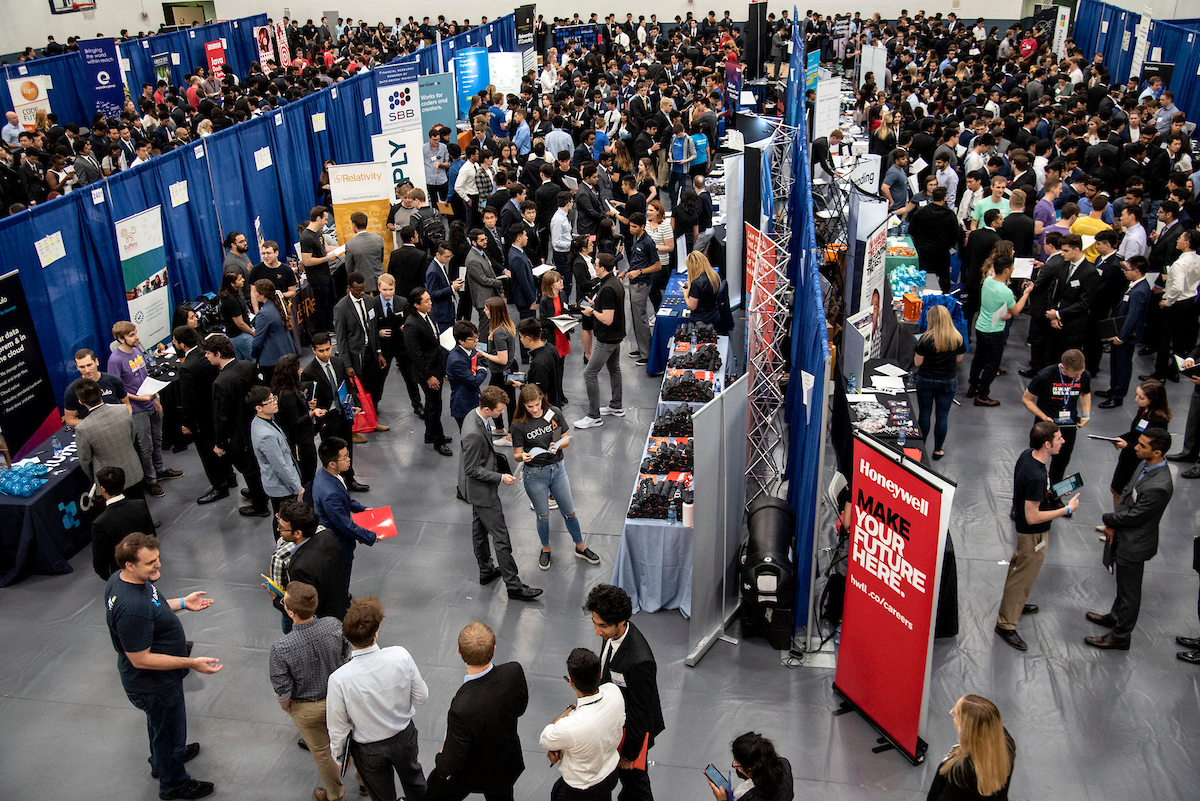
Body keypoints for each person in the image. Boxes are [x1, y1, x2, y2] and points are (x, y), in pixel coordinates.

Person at [105, 532, 220, 801]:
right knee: (168, 732)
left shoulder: (124, 582)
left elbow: (154, 607)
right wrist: (192, 663)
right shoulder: (131, 607)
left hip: (155, 684)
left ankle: (163, 760)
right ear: (129, 565)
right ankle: (174, 785)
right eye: (150, 563)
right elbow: (140, 658)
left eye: (157, 559)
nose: (158, 566)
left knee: (160, 727)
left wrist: (182, 603)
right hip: (155, 685)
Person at [327, 598, 429, 801]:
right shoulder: (400, 656)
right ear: (376, 632)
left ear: (347, 638)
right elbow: (422, 697)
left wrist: (340, 756)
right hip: (403, 738)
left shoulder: (338, 679)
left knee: (382, 796)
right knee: (415, 782)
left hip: (368, 749)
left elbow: (338, 726)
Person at [994, 421, 1080, 652]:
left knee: (1019, 569)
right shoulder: (1037, 475)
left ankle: (1016, 604)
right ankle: (1006, 624)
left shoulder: (1028, 457)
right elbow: (1033, 517)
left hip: (1025, 530)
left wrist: (1056, 491)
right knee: (1022, 574)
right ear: (1047, 444)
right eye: (1060, 438)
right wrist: (1066, 509)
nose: (1063, 441)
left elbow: (1036, 494)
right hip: (1032, 535)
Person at [1088, 427, 1174, 650]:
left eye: (1143, 445)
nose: (1136, 447)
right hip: (1125, 536)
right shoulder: (1144, 465)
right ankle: (1116, 617)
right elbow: (1128, 493)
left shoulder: (1159, 486)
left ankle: (1120, 636)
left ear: (1157, 452)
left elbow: (1137, 515)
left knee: (1129, 592)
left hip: (1134, 544)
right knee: (1123, 586)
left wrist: (1109, 519)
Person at [425, 621, 530, 801]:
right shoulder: (513, 671)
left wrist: (441, 758)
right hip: (504, 763)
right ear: (494, 649)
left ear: (459, 651)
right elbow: (519, 708)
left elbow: (452, 763)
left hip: (471, 772)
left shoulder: (462, 708)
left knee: (435, 790)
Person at [268, 581, 351, 801]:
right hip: (341, 700)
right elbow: (346, 656)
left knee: (322, 753)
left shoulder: (282, 647)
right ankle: (365, 783)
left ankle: (335, 795)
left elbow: (282, 686)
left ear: (290, 612)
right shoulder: (333, 625)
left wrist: (289, 708)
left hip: (307, 708)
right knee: (355, 741)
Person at [458, 386, 542, 601]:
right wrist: (500, 477)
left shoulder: (473, 416)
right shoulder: (473, 434)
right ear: (487, 409)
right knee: (501, 537)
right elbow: (471, 469)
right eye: (498, 410)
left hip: (474, 492)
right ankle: (514, 586)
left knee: (479, 531)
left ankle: (486, 570)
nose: (501, 414)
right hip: (483, 492)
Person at [584, 584, 664, 801]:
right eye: (594, 623)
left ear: (621, 622)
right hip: (615, 718)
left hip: (632, 733)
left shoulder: (640, 661)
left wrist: (630, 755)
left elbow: (640, 714)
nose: (597, 631)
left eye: (602, 626)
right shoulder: (611, 635)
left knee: (635, 782)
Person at [511, 383, 600, 570]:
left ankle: (580, 546)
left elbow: (566, 440)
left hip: (557, 470)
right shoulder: (519, 424)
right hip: (534, 475)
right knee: (542, 516)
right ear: (523, 405)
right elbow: (517, 454)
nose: (535, 409)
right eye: (530, 406)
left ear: (542, 399)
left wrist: (557, 445)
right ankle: (546, 549)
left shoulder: (554, 413)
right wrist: (523, 456)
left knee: (570, 512)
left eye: (537, 404)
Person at [538, 648, 625, 801]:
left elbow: (546, 738)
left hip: (579, 790)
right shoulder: (614, 692)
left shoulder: (569, 727)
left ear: (571, 681)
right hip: (610, 774)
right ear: (600, 674)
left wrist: (570, 709)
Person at [109, 321, 182, 496]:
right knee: (145, 446)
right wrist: (138, 398)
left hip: (151, 402)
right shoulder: (115, 360)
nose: (137, 337)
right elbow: (118, 389)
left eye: (136, 333)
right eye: (132, 335)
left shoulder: (137, 350)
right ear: (120, 339)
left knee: (157, 439)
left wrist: (156, 397)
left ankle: (160, 470)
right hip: (136, 409)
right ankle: (150, 480)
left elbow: (146, 375)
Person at [203, 335, 270, 516]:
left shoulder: (220, 382)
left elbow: (221, 417)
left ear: (218, 354)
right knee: (256, 464)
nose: (206, 356)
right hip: (255, 424)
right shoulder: (247, 366)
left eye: (208, 353)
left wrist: (220, 444)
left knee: (248, 469)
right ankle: (260, 492)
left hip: (238, 434)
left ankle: (260, 505)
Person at [302, 333, 369, 489]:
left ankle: (349, 479)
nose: (325, 354)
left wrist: (356, 403)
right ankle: (334, 483)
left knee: (347, 447)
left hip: (344, 412)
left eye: (327, 349)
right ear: (314, 350)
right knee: (332, 452)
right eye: (321, 351)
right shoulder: (309, 372)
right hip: (327, 417)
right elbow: (308, 399)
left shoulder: (338, 363)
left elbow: (349, 386)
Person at [967, 251, 1032, 406]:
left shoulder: (988, 281)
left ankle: (973, 386)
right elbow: (1016, 310)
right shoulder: (1005, 291)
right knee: (992, 364)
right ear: (1007, 270)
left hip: (981, 326)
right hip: (994, 331)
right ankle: (982, 396)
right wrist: (1025, 294)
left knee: (979, 358)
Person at [173, 326, 230, 503]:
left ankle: (219, 486)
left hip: (202, 418)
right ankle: (230, 477)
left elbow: (188, 399)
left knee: (208, 452)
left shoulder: (187, 367)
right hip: (217, 410)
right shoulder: (206, 355)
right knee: (221, 444)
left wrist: (186, 424)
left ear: (181, 344)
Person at [1021, 349, 1092, 484]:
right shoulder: (1045, 376)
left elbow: (1085, 393)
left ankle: (1054, 494)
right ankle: (1032, 486)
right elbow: (1027, 399)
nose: (1079, 377)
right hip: (1045, 426)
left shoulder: (1084, 375)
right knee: (1036, 459)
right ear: (1064, 368)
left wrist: (1086, 414)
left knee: (1061, 462)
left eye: (1081, 373)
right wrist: (1043, 417)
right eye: (1075, 374)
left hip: (1068, 425)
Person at [312, 437, 377, 584]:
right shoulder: (330, 493)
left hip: (336, 537)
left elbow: (344, 500)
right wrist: (369, 535)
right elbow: (344, 524)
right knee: (341, 576)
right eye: (345, 457)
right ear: (332, 463)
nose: (349, 459)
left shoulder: (325, 475)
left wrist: (362, 509)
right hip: (337, 543)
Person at [926, 695, 1015, 801]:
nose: (951, 712)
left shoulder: (959, 772)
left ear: (966, 727)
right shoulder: (1006, 744)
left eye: (955, 714)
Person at [1104, 380, 1172, 515]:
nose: (1136, 400)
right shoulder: (1143, 410)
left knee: (1124, 491)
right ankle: (1115, 519)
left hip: (1137, 459)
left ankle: (1117, 523)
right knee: (1115, 489)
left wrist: (1127, 446)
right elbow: (1135, 432)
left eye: (1141, 398)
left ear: (1154, 399)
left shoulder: (1158, 421)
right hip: (1128, 456)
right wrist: (1122, 438)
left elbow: (1148, 447)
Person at [276, 499, 349, 622]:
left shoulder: (300, 567)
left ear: (298, 533)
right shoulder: (327, 534)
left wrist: (275, 599)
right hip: (339, 607)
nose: (278, 530)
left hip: (323, 621)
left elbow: (303, 611)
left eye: (282, 528)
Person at [334, 272, 388, 433]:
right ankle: (356, 426)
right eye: (358, 290)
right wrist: (347, 364)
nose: (362, 293)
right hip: (354, 356)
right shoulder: (341, 308)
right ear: (349, 288)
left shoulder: (370, 301)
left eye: (363, 289)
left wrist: (379, 352)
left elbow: (373, 329)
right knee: (358, 391)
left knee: (372, 387)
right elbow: (341, 338)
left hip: (370, 353)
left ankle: (372, 420)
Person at [576, 254, 625, 429]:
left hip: (607, 337)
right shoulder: (614, 282)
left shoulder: (607, 289)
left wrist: (592, 312)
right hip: (617, 335)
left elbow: (607, 318)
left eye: (595, 265)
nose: (594, 268)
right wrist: (595, 304)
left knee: (589, 373)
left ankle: (593, 415)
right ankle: (616, 405)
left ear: (603, 267)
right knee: (614, 369)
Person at [74, 379, 145, 496]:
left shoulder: (82, 428)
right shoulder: (123, 410)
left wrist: (97, 479)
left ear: (80, 402)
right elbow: (132, 437)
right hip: (134, 472)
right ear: (102, 392)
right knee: (141, 509)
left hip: (109, 484)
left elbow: (85, 462)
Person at [402, 288, 452, 456]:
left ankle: (431, 434)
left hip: (435, 367)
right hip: (427, 371)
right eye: (426, 301)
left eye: (430, 299)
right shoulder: (411, 324)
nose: (430, 302)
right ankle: (438, 441)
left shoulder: (427, 316)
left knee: (434, 403)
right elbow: (415, 354)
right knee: (434, 406)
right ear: (416, 305)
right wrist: (429, 376)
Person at [248, 386, 304, 533]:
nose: (275, 403)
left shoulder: (261, 421)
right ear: (259, 408)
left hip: (281, 483)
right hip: (282, 487)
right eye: (270, 401)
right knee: (283, 519)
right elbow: (280, 466)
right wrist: (297, 487)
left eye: (274, 399)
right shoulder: (266, 435)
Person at [1099, 256, 1153, 407]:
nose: (1125, 272)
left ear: (1136, 271)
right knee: (1116, 362)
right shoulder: (1134, 286)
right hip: (1121, 331)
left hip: (1126, 335)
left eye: (1127, 269)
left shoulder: (1139, 291)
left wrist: (1121, 336)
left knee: (1122, 364)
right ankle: (1113, 389)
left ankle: (1117, 396)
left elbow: (1133, 316)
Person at [913, 306, 965, 460]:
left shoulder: (924, 339)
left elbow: (917, 363)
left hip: (926, 380)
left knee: (925, 413)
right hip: (947, 381)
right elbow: (959, 358)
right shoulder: (957, 338)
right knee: (942, 416)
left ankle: (920, 447)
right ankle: (938, 450)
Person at [91, 466, 155, 580]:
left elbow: (100, 563)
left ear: (102, 489)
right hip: (146, 568)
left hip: (122, 576)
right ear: (123, 484)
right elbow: (151, 536)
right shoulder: (140, 505)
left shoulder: (100, 523)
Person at [374, 273, 424, 419]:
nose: (388, 293)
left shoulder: (403, 303)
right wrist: (378, 333)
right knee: (379, 377)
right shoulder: (373, 304)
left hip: (402, 346)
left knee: (410, 377)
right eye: (384, 290)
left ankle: (417, 405)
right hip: (384, 348)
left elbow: (412, 320)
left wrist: (406, 326)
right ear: (378, 288)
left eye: (390, 289)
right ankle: (374, 405)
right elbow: (369, 327)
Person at [705, 733, 794, 801]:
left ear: (750, 769)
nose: (734, 765)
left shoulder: (748, 797)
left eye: (736, 763)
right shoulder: (784, 764)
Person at [907, 186, 963, 293]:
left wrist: (920, 242)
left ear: (932, 197)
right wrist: (947, 246)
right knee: (943, 277)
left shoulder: (921, 213)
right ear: (944, 198)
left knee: (924, 277)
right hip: (942, 253)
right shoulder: (950, 215)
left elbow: (912, 230)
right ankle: (944, 300)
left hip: (924, 251)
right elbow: (956, 235)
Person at [623, 212, 661, 366]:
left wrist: (639, 272)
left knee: (641, 318)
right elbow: (636, 260)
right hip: (633, 282)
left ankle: (646, 354)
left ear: (642, 227)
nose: (631, 229)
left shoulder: (648, 243)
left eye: (634, 226)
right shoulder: (635, 238)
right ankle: (641, 347)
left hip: (641, 284)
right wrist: (626, 271)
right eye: (630, 226)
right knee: (636, 318)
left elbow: (657, 265)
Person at [63, 348, 130, 427]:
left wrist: (127, 420)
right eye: (82, 367)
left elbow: (127, 405)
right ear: (77, 367)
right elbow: (70, 420)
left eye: (89, 365)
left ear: (96, 362)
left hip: (119, 426)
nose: (87, 370)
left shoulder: (114, 380)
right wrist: (95, 425)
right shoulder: (72, 390)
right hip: (94, 433)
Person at [250, 279, 296, 388]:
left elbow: (257, 342)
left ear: (262, 294)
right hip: (288, 353)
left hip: (272, 360)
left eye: (256, 292)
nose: (254, 294)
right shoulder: (279, 305)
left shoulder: (263, 314)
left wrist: (253, 355)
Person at [446, 320, 491, 433]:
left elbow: (477, 366)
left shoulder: (471, 350)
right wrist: (483, 371)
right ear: (461, 341)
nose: (476, 341)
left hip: (474, 400)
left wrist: (479, 371)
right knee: (469, 436)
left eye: (476, 337)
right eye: (472, 339)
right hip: (463, 405)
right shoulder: (457, 360)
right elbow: (473, 381)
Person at [515, 317, 566, 408]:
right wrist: (528, 377)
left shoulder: (538, 363)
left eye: (521, 337)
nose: (520, 340)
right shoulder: (551, 348)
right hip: (555, 401)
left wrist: (521, 386)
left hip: (544, 408)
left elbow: (538, 392)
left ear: (528, 338)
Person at [301, 206, 336, 334]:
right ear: (317, 218)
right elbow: (307, 261)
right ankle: (321, 332)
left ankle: (329, 327)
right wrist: (327, 259)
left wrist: (343, 247)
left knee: (330, 302)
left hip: (326, 274)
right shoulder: (306, 237)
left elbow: (325, 248)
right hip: (317, 278)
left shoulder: (318, 233)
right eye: (325, 219)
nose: (326, 222)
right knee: (321, 306)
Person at [425, 242, 464, 333]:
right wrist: (452, 288)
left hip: (447, 311)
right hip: (442, 314)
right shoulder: (433, 271)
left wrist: (452, 283)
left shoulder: (439, 265)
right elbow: (432, 293)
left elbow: (442, 283)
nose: (449, 259)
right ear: (438, 254)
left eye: (450, 256)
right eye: (447, 257)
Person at [344, 212, 386, 294]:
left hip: (361, 282)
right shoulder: (378, 239)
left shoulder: (350, 244)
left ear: (354, 225)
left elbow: (349, 267)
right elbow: (381, 259)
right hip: (379, 279)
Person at [219, 271, 255, 360]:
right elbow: (240, 324)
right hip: (241, 337)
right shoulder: (231, 300)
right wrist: (252, 332)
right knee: (253, 361)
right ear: (232, 284)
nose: (243, 280)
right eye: (239, 279)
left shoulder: (230, 295)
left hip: (236, 336)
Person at [681, 251, 723, 329]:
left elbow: (691, 306)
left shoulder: (696, 283)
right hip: (714, 315)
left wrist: (685, 294)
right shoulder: (714, 276)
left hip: (700, 322)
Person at [538, 269, 572, 360]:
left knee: (562, 363)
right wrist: (559, 322)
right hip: (552, 335)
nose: (561, 282)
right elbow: (543, 320)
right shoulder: (544, 300)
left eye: (561, 279)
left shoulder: (562, 294)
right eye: (557, 281)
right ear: (550, 285)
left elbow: (565, 309)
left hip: (562, 335)